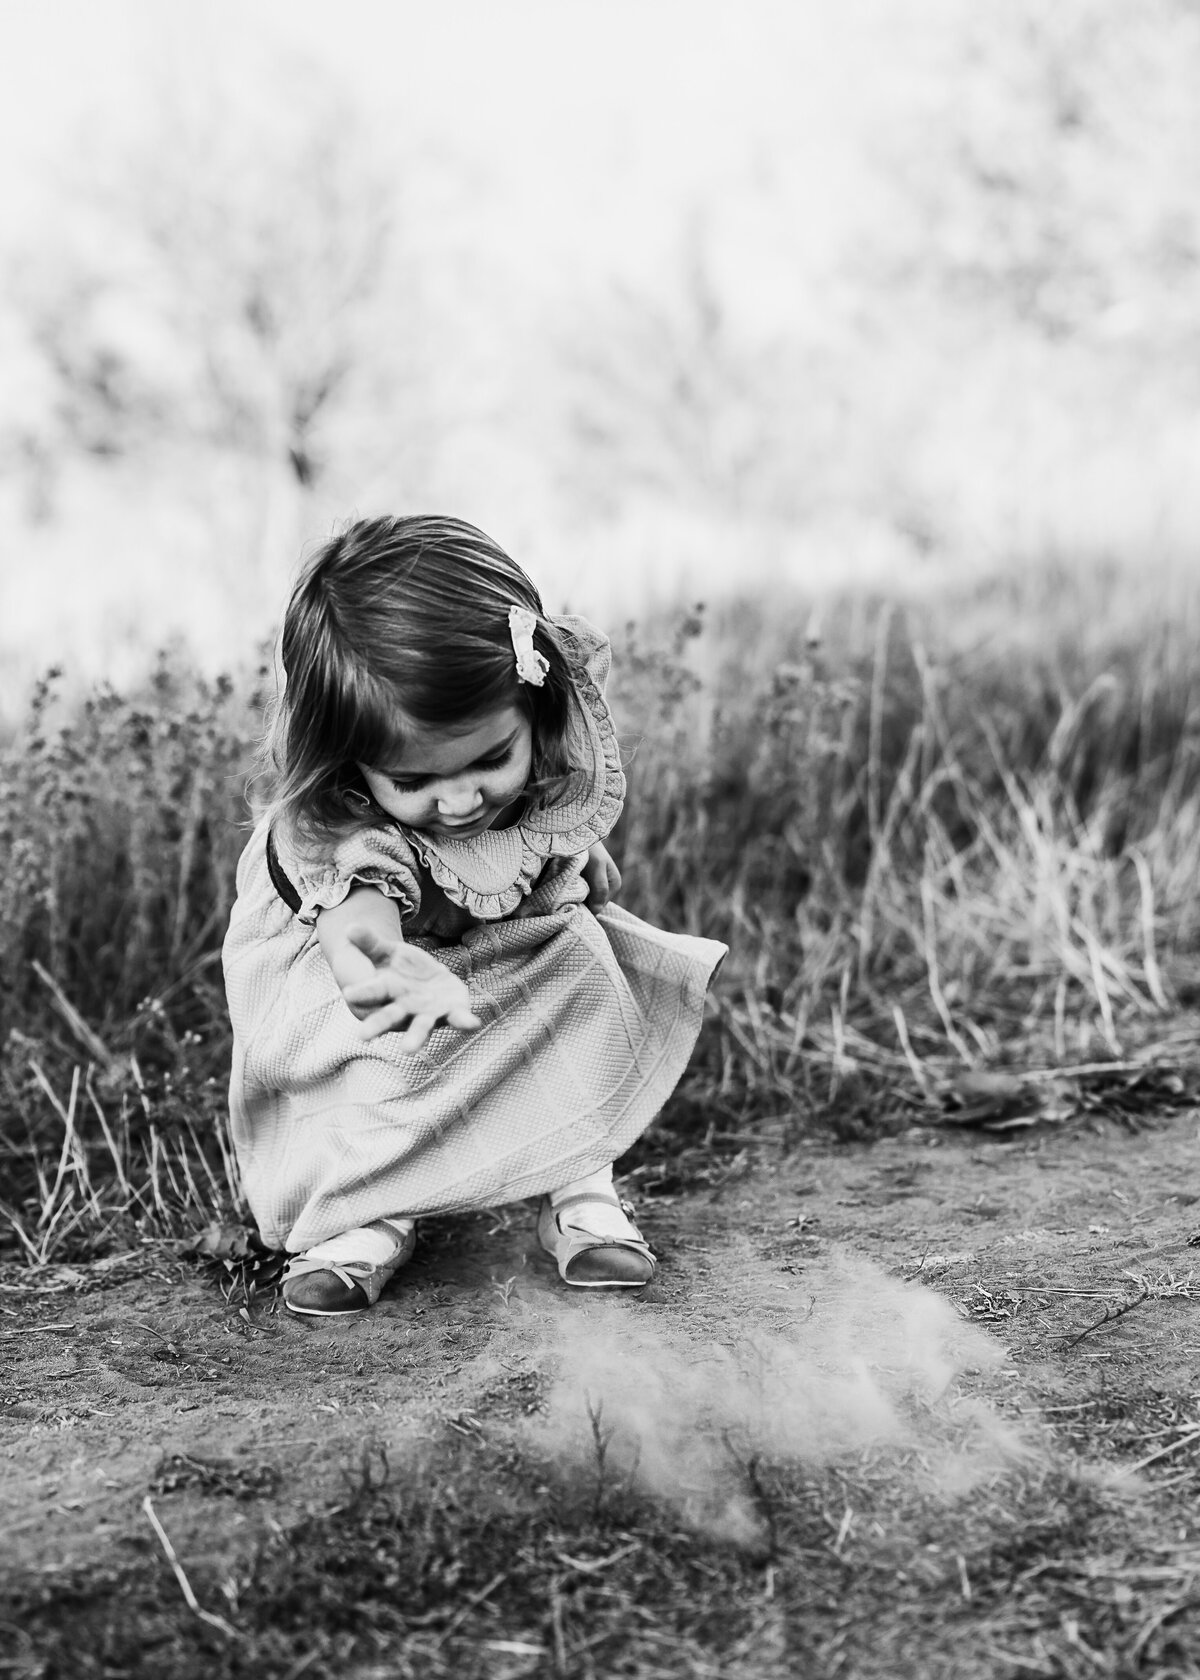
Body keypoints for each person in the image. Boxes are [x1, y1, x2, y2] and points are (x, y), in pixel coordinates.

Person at [222, 515, 727, 1316]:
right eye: (415, 779)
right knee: (383, 1062)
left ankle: (578, 1182)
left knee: (581, 972)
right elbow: (354, 924)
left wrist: (562, 853)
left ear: (535, 709)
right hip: (382, 987)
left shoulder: (521, 761)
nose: (461, 800)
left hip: (502, 950)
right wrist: (379, 966)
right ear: (353, 762)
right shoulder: (348, 830)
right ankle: (368, 1212)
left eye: (492, 760)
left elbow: (535, 832)